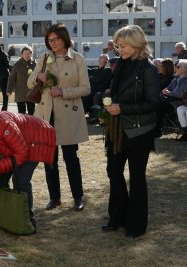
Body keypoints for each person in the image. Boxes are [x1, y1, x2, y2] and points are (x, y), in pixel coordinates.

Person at [102, 25, 160, 238]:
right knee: (114, 172)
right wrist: (110, 95)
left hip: (139, 132)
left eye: (123, 45)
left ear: (136, 44)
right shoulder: (122, 65)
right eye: (117, 46)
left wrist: (122, 108)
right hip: (117, 130)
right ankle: (117, 218)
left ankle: (136, 225)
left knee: (136, 178)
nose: (119, 49)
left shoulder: (149, 69)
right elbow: (119, 91)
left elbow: (154, 103)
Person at [27, 23, 90, 211]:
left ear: (65, 39)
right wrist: (39, 77)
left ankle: (78, 197)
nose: (52, 43)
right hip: (46, 115)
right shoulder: (44, 58)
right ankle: (54, 197)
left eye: (56, 39)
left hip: (68, 114)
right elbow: (30, 84)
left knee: (71, 157)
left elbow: (86, 88)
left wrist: (63, 91)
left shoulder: (77, 59)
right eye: (49, 40)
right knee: (49, 159)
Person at [154, 59, 187, 138]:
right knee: (155, 104)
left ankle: (157, 131)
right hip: (170, 101)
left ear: (185, 69)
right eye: (176, 66)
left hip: (177, 103)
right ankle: (154, 130)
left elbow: (182, 94)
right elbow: (166, 89)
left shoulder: (185, 80)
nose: (176, 68)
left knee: (158, 106)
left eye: (178, 67)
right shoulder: (176, 79)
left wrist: (169, 93)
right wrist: (165, 92)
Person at [7, 46, 37, 115]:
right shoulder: (17, 64)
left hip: (31, 92)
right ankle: (22, 126)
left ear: (31, 54)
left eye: (28, 53)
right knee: (21, 113)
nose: (27, 55)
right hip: (20, 92)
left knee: (32, 113)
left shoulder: (35, 64)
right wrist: (9, 90)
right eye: (25, 53)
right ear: (22, 54)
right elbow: (11, 78)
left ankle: (31, 125)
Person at [84, 54, 113, 123]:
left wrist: (91, 78)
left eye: (105, 59)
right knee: (84, 95)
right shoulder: (93, 70)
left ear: (107, 61)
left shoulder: (107, 70)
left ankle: (95, 116)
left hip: (100, 90)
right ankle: (81, 114)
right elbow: (85, 71)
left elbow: (98, 79)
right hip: (91, 90)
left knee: (90, 95)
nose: (103, 60)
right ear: (99, 59)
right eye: (102, 58)